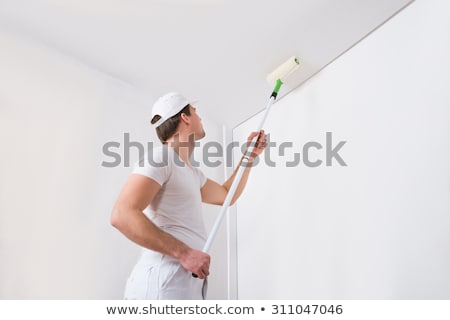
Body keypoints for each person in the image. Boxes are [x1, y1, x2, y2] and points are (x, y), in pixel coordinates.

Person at [110, 92, 266, 299]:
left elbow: (227, 195)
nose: (200, 118)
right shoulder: (162, 157)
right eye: (195, 112)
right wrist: (185, 253)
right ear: (185, 118)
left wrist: (250, 155)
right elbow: (122, 214)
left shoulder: (191, 172)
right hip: (161, 283)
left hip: (183, 283)